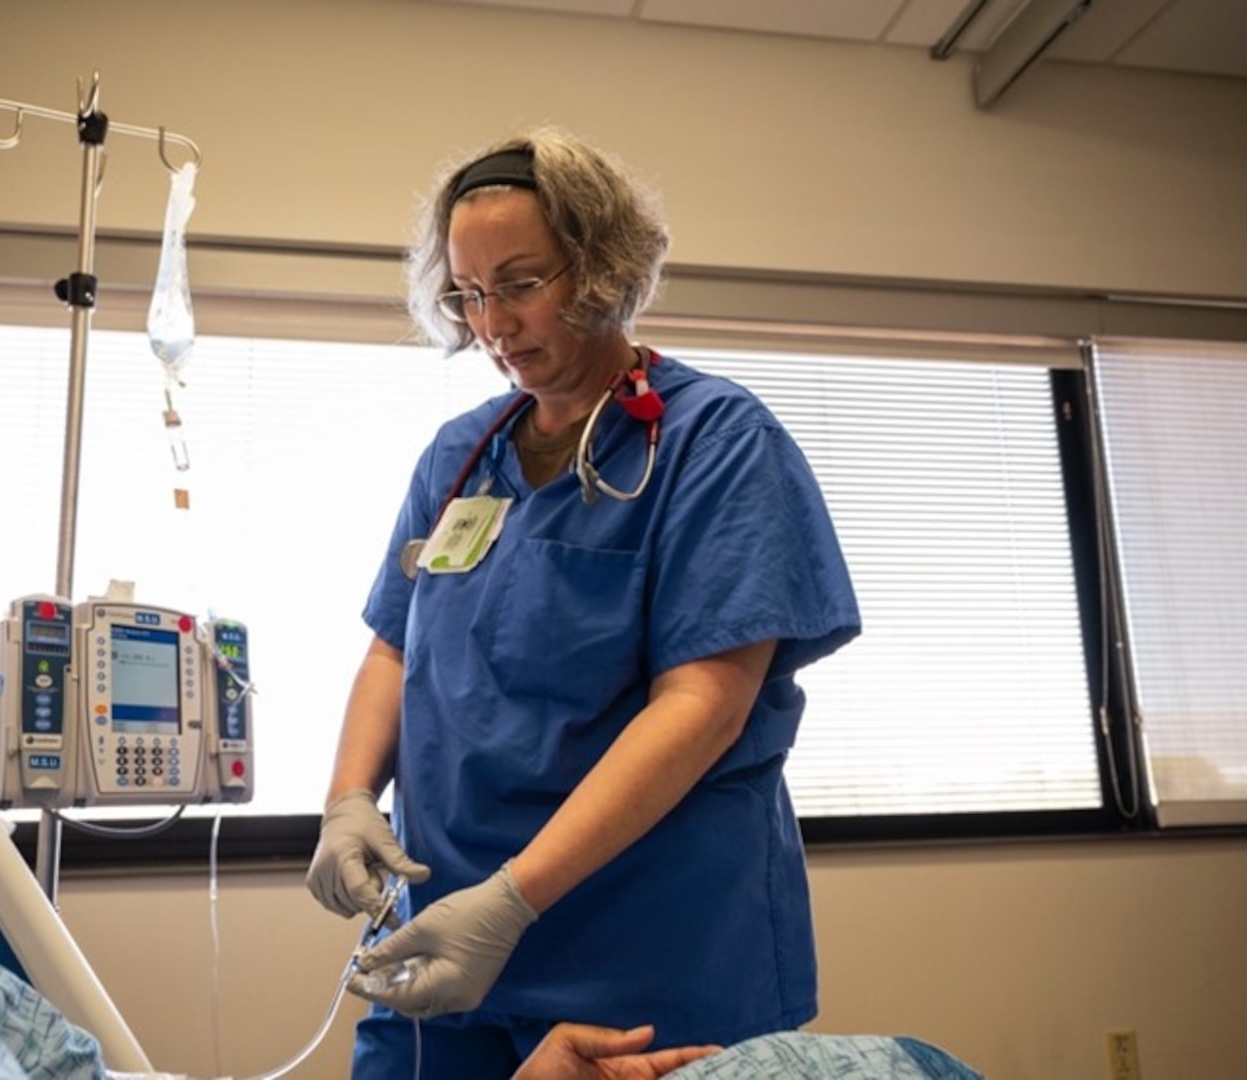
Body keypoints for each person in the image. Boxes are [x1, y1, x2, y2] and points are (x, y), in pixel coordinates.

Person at [307, 127, 861, 1079]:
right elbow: (394, 648)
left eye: (520, 284)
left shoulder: (716, 442)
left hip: (644, 951)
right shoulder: (460, 456)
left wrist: (516, 900)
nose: (492, 323)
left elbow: (701, 706)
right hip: (444, 931)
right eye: (469, 294)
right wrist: (349, 799)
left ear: (603, 266)